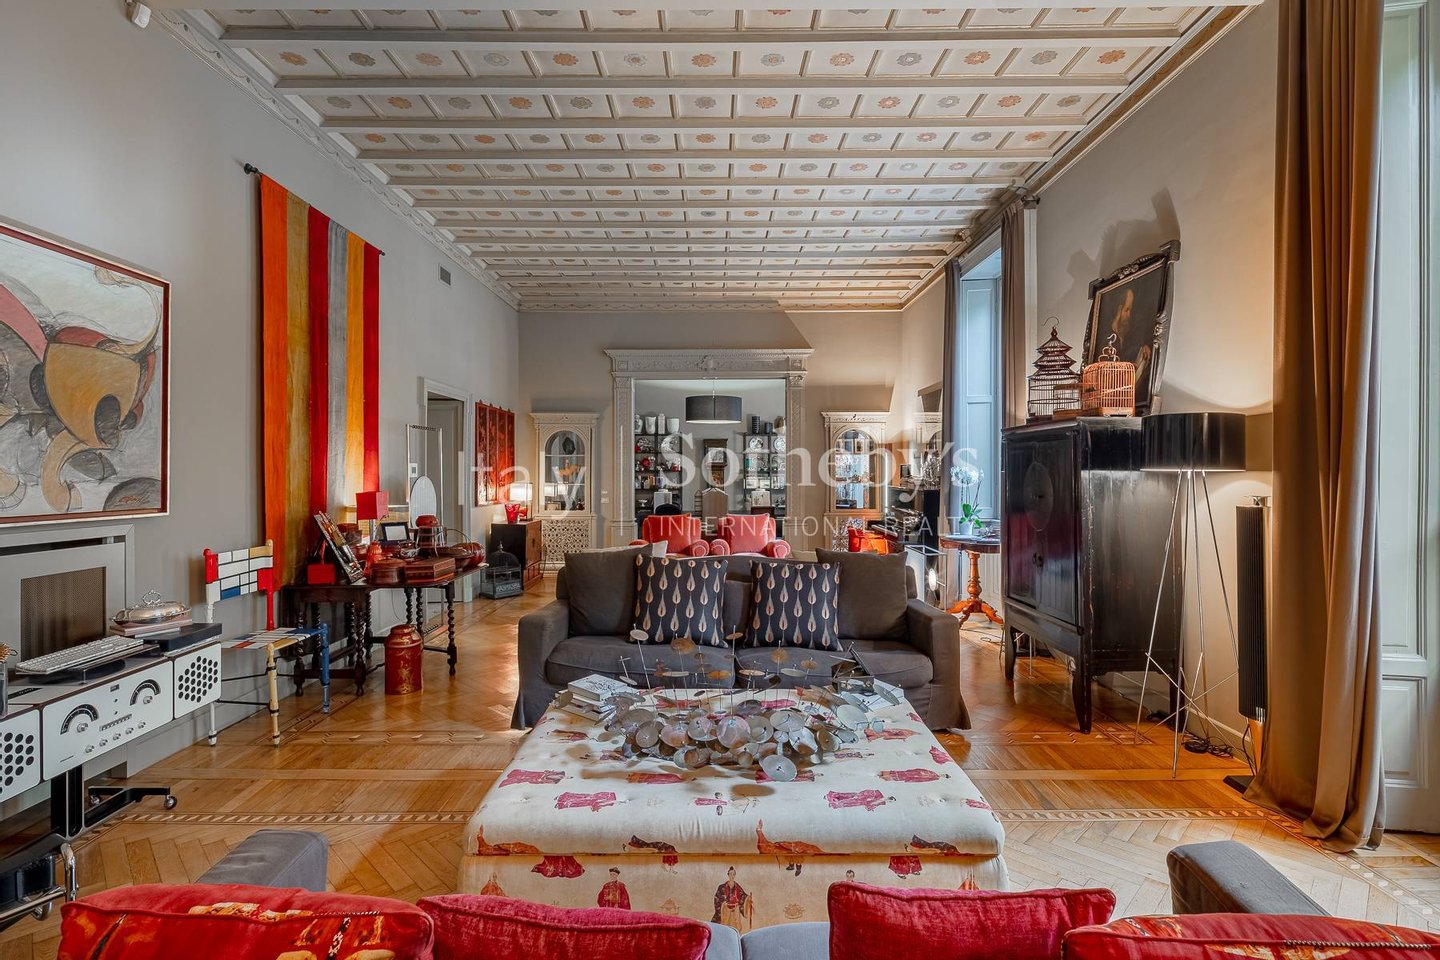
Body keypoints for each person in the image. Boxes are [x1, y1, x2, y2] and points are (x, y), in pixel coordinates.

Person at [712, 866, 754, 932]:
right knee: (725, 928)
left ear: (735, 875)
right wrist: (724, 904)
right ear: (728, 874)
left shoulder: (738, 887)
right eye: (730, 874)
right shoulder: (721, 887)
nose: (732, 876)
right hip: (725, 910)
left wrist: (748, 899)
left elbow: (743, 896)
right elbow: (717, 898)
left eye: (733, 874)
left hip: (735, 911)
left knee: (736, 929)